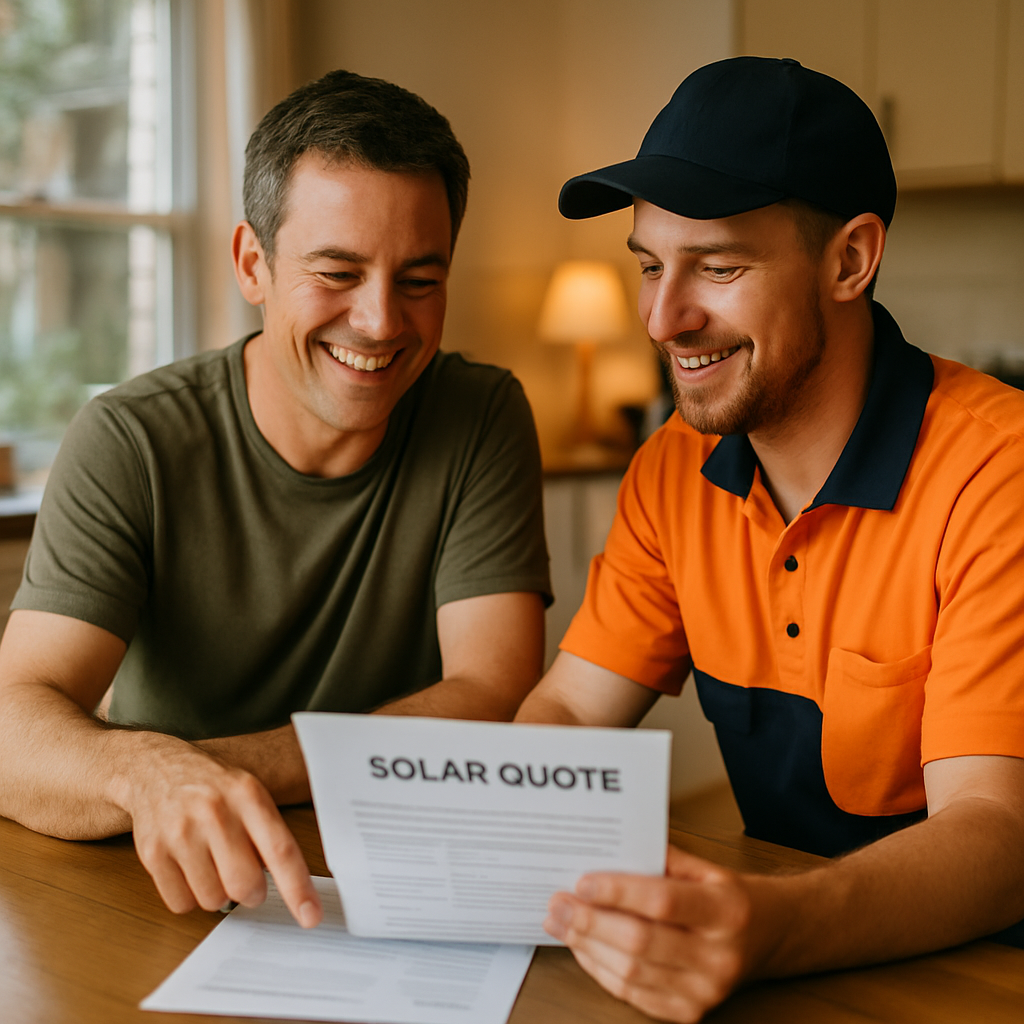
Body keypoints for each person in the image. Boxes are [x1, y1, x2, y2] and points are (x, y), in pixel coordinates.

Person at [516, 56, 1024, 1022]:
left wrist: (774, 925)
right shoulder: (670, 469)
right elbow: (573, 715)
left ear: (850, 260)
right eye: (651, 266)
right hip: (785, 973)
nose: (665, 319)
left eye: (720, 267)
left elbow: (998, 836)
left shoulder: (997, 470)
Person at [0, 71, 550, 931]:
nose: (379, 322)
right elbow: (11, 728)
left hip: (387, 880)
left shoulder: (481, 413)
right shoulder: (129, 438)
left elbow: (492, 693)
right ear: (254, 264)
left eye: (420, 280)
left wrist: (226, 768)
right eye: (337, 271)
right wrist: (154, 774)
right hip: (160, 886)